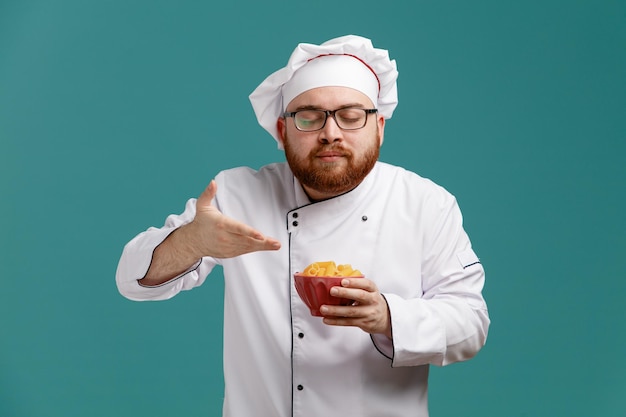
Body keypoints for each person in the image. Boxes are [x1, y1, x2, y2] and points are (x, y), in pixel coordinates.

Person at [116, 34, 490, 417]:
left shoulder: (425, 204)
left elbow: (471, 325)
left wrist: (387, 317)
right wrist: (190, 241)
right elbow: (131, 280)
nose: (330, 132)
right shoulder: (237, 194)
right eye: (309, 117)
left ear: (379, 127)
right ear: (282, 131)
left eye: (350, 115)